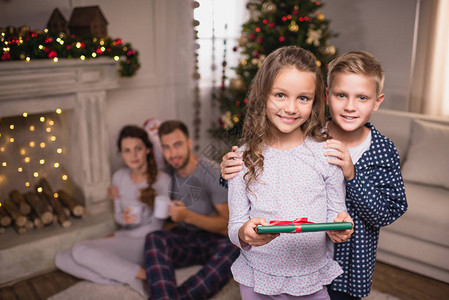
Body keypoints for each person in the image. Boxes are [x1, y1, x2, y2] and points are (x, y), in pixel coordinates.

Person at [221, 51, 408, 300]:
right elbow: (246, 197)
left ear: (376, 100)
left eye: (362, 97)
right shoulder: (315, 137)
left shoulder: (366, 150)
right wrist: (227, 171)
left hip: (347, 263)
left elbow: (379, 210)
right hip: (270, 269)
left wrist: (351, 175)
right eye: (342, 95)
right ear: (327, 97)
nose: (350, 106)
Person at [227, 46, 351, 300]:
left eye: (303, 98)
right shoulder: (240, 160)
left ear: (315, 101)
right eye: (280, 95)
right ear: (263, 95)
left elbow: (336, 213)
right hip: (257, 278)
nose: (291, 108)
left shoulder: (327, 156)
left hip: (312, 277)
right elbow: (235, 226)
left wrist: (340, 226)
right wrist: (244, 233)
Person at [55, 125, 170, 297]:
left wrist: (121, 237)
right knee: (61, 258)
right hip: (123, 237)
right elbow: (118, 216)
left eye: (138, 148)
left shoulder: (162, 179)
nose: (133, 155)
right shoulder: (118, 177)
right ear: (121, 154)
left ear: (147, 149)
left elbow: (157, 226)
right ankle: (126, 277)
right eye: (127, 150)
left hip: (146, 242)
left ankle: (140, 273)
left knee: (80, 250)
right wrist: (124, 220)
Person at [143, 120, 240, 300]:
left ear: (188, 143)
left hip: (217, 240)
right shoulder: (169, 174)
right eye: (167, 148)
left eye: (178, 145)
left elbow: (226, 226)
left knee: (235, 247)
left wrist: (187, 216)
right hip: (188, 237)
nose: (173, 153)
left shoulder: (210, 172)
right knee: (154, 239)